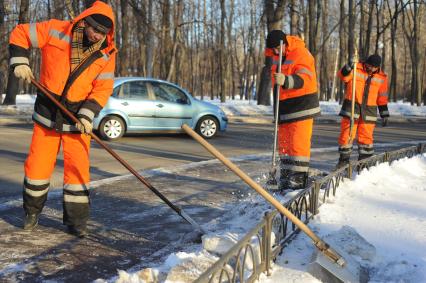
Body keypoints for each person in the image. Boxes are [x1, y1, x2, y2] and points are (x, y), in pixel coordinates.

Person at [9, 1, 116, 237]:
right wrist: (20, 60)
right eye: (94, 28)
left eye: (102, 33)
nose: (97, 35)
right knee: (37, 166)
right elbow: (21, 33)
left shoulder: (106, 55)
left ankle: (76, 222)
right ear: (85, 22)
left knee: (78, 173)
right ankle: (32, 213)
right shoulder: (56, 30)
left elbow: (103, 88)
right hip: (48, 112)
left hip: (77, 119)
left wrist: (88, 114)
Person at [265, 30, 321, 191]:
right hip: (285, 109)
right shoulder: (276, 57)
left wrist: (286, 80)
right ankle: (286, 179)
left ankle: (297, 182)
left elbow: (307, 79)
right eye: (273, 49)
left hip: (301, 107)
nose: (276, 52)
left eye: (277, 48)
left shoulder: (301, 54)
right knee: (285, 146)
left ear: (284, 43)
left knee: (298, 146)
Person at [336, 54, 389, 168]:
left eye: (373, 67)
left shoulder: (382, 77)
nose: (370, 68)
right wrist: (349, 65)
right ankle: (343, 161)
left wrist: (384, 114)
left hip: (369, 111)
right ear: (366, 62)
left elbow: (382, 97)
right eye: (369, 65)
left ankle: (364, 164)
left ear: (377, 67)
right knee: (347, 135)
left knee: (366, 137)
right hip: (352, 107)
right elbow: (342, 76)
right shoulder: (356, 68)